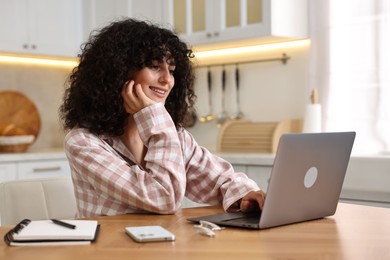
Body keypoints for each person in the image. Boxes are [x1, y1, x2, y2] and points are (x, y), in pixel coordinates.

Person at [59, 18, 265, 218]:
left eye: (172, 70)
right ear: (119, 72)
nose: (167, 79)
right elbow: (162, 198)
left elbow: (221, 180)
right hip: (110, 250)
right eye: (155, 66)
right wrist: (154, 118)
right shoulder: (83, 142)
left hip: (162, 247)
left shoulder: (174, 135)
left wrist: (247, 193)